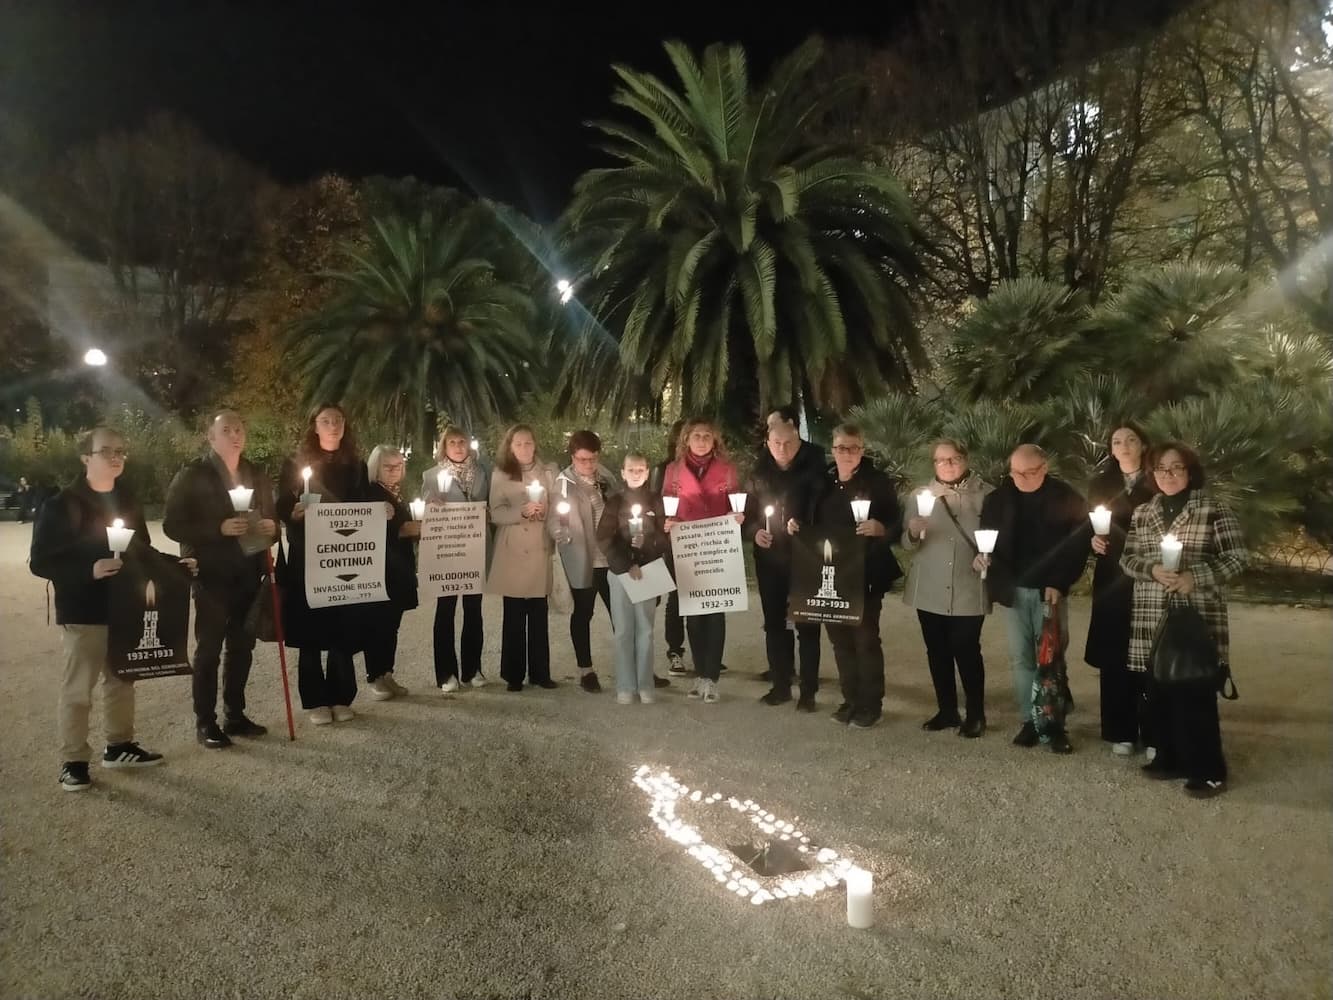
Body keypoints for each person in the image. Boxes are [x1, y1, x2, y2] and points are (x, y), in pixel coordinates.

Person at [30, 426, 197, 791]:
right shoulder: (61, 505)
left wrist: (175, 566)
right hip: (83, 610)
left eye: (120, 450)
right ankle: (73, 760)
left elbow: (141, 551)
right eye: (106, 450)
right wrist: (89, 569)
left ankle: (119, 745)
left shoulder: (126, 500)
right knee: (78, 687)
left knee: (122, 678)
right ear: (85, 457)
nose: (116, 457)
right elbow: (40, 561)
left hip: (124, 606)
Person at [1121, 442, 1247, 798]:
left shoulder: (1213, 509)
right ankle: (1169, 757)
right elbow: (1127, 559)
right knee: (1157, 688)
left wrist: (1196, 576)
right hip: (1152, 612)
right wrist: (1151, 569)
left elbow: (1237, 557)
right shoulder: (1144, 512)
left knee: (1194, 691)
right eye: (1161, 469)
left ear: (1190, 472)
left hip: (1195, 614)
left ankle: (1209, 770)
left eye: (1176, 467)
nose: (1169, 474)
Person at [163, 408, 277, 748]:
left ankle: (234, 714)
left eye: (239, 428)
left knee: (242, 647)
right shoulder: (193, 474)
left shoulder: (255, 473)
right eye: (226, 430)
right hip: (211, 574)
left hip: (248, 573)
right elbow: (172, 524)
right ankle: (205, 722)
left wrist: (272, 527)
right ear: (211, 438)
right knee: (209, 649)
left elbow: (270, 518)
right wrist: (218, 528)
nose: (235, 434)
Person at [977, 444, 1088, 753]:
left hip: (1049, 590)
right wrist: (985, 562)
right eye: (1015, 472)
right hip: (1014, 590)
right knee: (1020, 657)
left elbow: (1078, 543)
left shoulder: (1066, 497)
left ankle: (1054, 723)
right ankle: (1030, 719)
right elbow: (986, 540)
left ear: (1044, 468)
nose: (1021, 478)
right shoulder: (998, 499)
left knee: (1051, 656)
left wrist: (1059, 581)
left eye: (1029, 472)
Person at [792, 423, 902, 728]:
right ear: (833, 449)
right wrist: (796, 525)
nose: (847, 453)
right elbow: (807, 516)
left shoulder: (876, 482)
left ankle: (871, 703)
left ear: (862, 450)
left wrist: (881, 529)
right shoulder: (822, 481)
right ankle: (851, 698)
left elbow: (896, 521)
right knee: (839, 639)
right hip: (829, 573)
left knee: (865, 638)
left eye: (853, 448)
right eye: (841, 447)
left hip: (865, 572)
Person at [276, 403, 373, 726]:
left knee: (342, 627)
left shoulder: (356, 466)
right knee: (310, 629)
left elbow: (364, 505)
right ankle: (315, 700)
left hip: (344, 556)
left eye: (338, 420)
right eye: (326, 420)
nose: (333, 425)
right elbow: (281, 504)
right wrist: (293, 513)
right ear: (314, 426)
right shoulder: (294, 464)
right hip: (308, 557)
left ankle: (341, 696)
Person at [901, 438, 993, 738]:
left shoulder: (987, 495)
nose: (947, 465)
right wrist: (912, 531)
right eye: (940, 460)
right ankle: (947, 710)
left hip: (969, 585)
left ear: (966, 459)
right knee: (937, 651)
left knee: (967, 650)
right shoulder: (919, 496)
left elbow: (1000, 538)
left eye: (953, 458)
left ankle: (976, 714)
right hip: (930, 586)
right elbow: (906, 543)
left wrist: (989, 557)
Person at [743, 406, 825, 710]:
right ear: (768, 443)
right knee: (775, 624)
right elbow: (747, 514)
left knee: (807, 625)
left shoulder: (814, 470)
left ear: (799, 441)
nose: (783, 448)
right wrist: (755, 532)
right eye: (776, 443)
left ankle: (808, 691)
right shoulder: (758, 473)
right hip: (770, 561)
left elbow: (824, 509)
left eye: (789, 443)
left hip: (805, 558)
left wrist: (805, 526)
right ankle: (780, 684)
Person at [1084, 424, 1156, 755]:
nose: (1124, 445)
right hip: (1112, 572)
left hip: (1149, 573)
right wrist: (1093, 540)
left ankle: (1154, 730)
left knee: (1149, 649)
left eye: (1131, 440)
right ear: (1111, 450)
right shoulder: (1102, 484)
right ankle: (1120, 730)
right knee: (1115, 650)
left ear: (1143, 445)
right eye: (1117, 441)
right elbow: (1087, 523)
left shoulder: (1157, 481)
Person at [661, 417, 742, 703]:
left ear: (714, 440)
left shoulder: (727, 470)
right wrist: (667, 521)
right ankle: (699, 674)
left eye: (707, 436)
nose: (702, 441)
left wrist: (737, 515)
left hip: (717, 548)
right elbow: (666, 505)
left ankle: (712, 678)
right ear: (686, 439)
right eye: (696, 435)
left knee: (715, 613)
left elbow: (736, 502)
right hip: (687, 548)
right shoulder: (672, 471)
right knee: (693, 615)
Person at [487, 424, 558, 691]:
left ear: (535, 444)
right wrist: (521, 512)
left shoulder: (548, 471)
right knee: (514, 614)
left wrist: (547, 514)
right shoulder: (501, 473)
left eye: (528, 443)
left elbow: (557, 505)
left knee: (539, 614)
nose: (524, 448)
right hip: (514, 548)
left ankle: (540, 672)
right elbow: (496, 512)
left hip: (539, 546)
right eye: (518, 444)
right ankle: (513, 675)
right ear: (510, 447)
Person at [597, 452, 671, 704]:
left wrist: (647, 546)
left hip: (648, 572)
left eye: (640, 469)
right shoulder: (615, 502)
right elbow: (604, 537)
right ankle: (625, 685)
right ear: (623, 472)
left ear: (647, 472)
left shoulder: (656, 501)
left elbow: (665, 536)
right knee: (623, 631)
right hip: (621, 574)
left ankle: (645, 684)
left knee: (646, 631)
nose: (636, 474)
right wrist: (627, 563)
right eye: (631, 469)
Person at [422, 425, 491, 693]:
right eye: (452, 442)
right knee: (446, 610)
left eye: (462, 441)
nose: (458, 446)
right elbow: (424, 509)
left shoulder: (483, 472)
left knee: (474, 610)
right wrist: (430, 504)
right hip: (447, 551)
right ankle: (446, 673)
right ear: (444, 446)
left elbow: (491, 502)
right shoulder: (431, 476)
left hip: (475, 548)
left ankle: (472, 669)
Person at [552, 430, 617, 693]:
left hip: (612, 559)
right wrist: (559, 531)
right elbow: (554, 519)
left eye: (592, 459)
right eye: (582, 459)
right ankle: (586, 670)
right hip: (584, 559)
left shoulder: (607, 478)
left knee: (622, 613)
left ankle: (633, 663)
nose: (588, 464)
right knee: (583, 613)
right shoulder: (564, 483)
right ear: (572, 457)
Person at [363, 445, 419, 701]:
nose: (395, 470)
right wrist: (411, 528)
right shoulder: (371, 493)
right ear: (376, 468)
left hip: (399, 567)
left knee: (392, 625)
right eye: (388, 466)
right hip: (381, 568)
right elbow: (388, 528)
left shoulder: (396, 492)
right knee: (377, 624)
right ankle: (375, 676)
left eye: (398, 466)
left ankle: (387, 673)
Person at [651, 419, 688, 675]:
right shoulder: (663, 469)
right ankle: (675, 650)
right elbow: (655, 505)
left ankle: (705, 650)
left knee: (701, 595)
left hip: (702, 539)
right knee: (676, 596)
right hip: (674, 540)